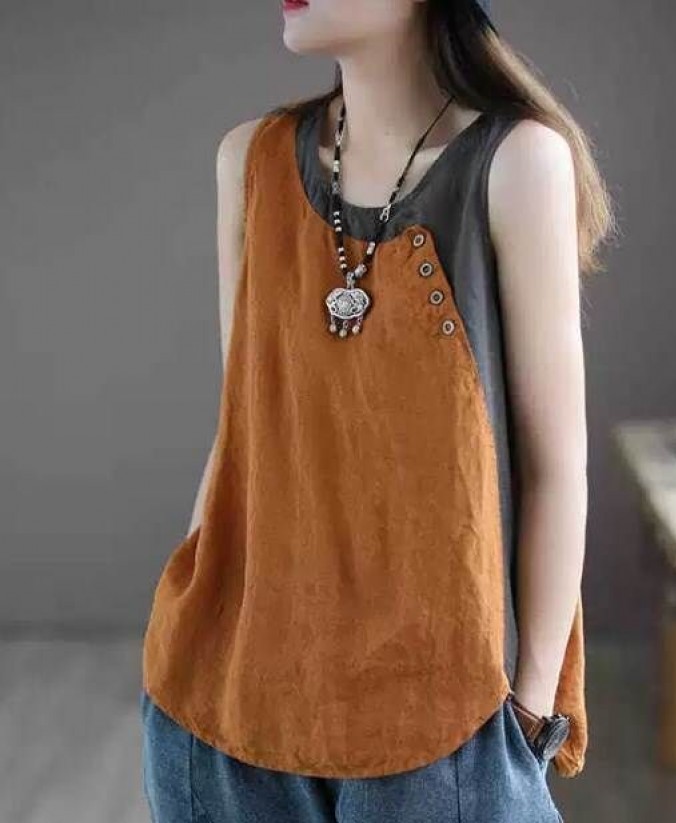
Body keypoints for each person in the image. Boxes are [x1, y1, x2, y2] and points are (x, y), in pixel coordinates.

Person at [140, 1, 614, 821]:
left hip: (443, 725)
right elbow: (243, 426)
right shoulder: (249, 160)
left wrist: (528, 712)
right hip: (225, 704)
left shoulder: (517, 162)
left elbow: (555, 468)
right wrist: (185, 616)